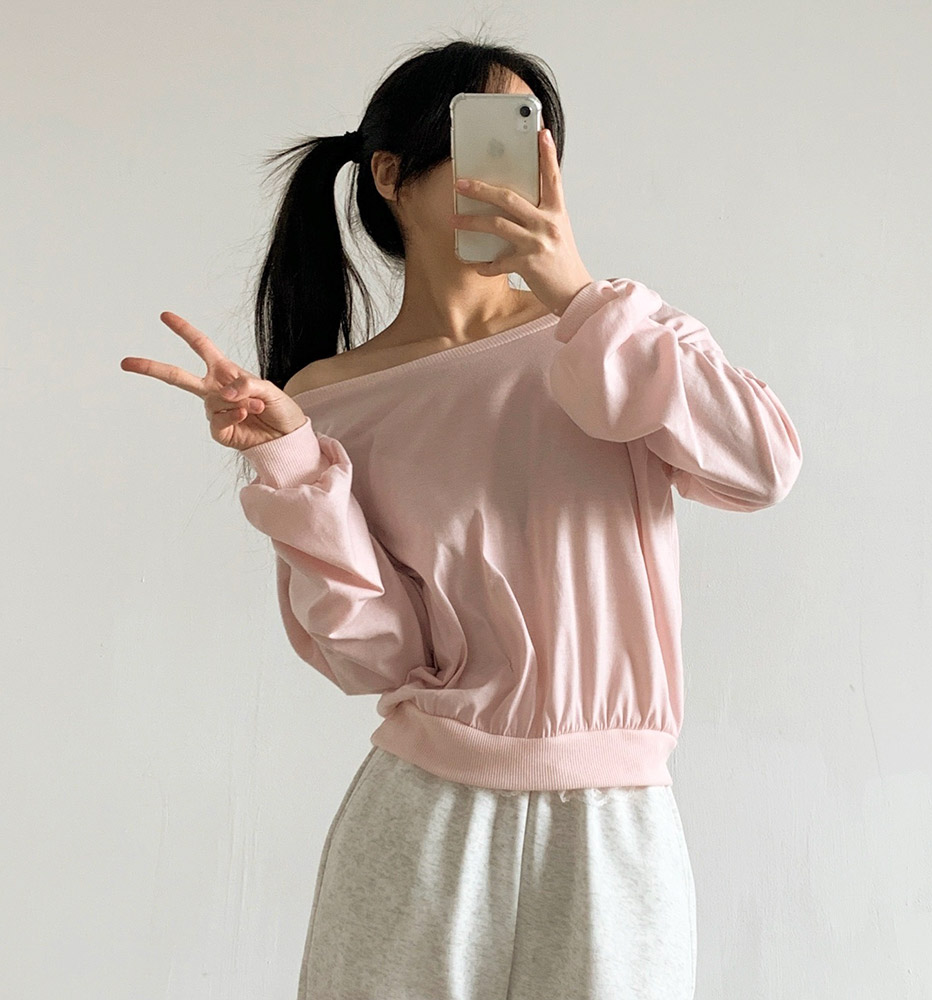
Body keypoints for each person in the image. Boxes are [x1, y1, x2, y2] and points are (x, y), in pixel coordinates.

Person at [121, 34, 803, 1000]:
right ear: (390, 174)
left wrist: (581, 299)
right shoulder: (330, 400)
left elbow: (763, 466)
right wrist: (293, 462)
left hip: (613, 830)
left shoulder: (616, 333)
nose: (516, 169)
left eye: (533, 139)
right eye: (489, 136)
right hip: (422, 824)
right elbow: (380, 657)